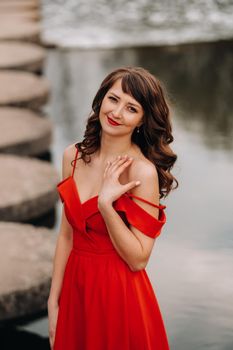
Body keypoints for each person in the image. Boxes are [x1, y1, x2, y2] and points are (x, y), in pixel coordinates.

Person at [48, 66, 178, 350]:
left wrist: (106, 205)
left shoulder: (142, 173)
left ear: (142, 121)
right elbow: (66, 236)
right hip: (75, 288)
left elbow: (139, 259)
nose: (117, 113)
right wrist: (53, 299)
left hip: (119, 295)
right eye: (113, 99)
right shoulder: (73, 156)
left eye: (131, 108)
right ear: (101, 99)